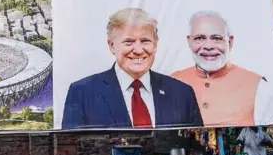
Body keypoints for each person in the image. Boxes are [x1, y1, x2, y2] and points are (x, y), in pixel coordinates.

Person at [61, 8, 203, 129]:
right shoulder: (83, 94)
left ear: (155, 45)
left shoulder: (182, 94)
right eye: (128, 42)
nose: (138, 50)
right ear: (112, 46)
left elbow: (198, 153)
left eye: (145, 41)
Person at [171, 10, 273, 127]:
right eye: (200, 38)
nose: (208, 46)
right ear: (189, 42)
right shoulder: (170, 83)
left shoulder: (260, 87)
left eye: (217, 38)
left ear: (230, 42)